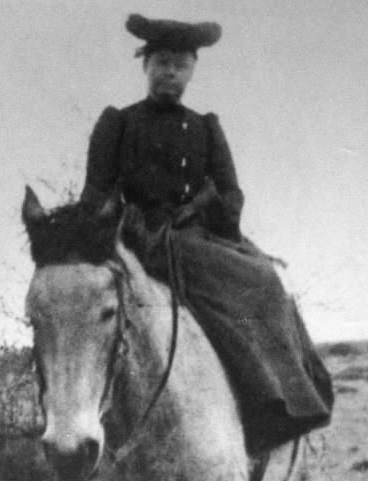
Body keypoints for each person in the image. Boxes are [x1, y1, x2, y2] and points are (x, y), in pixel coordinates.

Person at [80, 15, 333, 452]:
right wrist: (121, 227)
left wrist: (204, 210)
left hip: (195, 237)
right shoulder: (117, 124)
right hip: (135, 239)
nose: (170, 72)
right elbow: (95, 195)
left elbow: (231, 195)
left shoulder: (205, 128)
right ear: (146, 66)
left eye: (180, 64)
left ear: (192, 70)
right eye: (161, 62)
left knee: (263, 281)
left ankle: (272, 406)